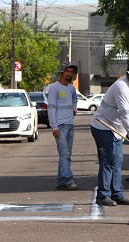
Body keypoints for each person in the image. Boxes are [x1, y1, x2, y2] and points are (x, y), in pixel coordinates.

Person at [90, 65, 129, 206]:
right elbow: (125, 116)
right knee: (108, 160)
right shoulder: (122, 87)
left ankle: (117, 194)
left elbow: (126, 115)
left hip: (116, 131)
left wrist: (128, 134)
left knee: (117, 161)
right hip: (103, 127)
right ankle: (103, 195)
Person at [47, 61, 79, 191]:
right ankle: (68, 180)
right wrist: (54, 127)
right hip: (60, 126)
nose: (69, 74)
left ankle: (61, 181)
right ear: (62, 72)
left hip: (70, 125)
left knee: (67, 154)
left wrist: (74, 109)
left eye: (71, 72)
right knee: (64, 154)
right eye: (67, 71)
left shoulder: (71, 88)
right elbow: (51, 108)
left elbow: (74, 99)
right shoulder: (54, 88)